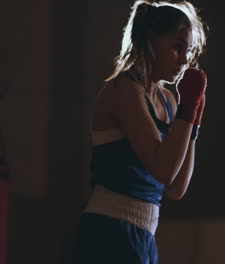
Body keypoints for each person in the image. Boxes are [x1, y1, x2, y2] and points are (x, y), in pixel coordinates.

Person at [72, 1, 207, 263]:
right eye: (177, 47)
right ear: (151, 39)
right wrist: (188, 108)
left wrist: (193, 118)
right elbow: (164, 169)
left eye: (188, 52)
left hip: (144, 237)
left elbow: (176, 187)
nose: (183, 60)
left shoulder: (169, 100)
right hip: (108, 231)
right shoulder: (125, 90)